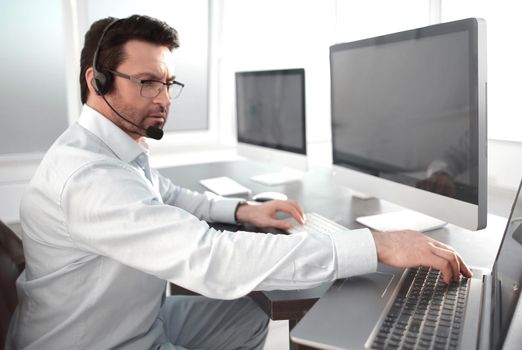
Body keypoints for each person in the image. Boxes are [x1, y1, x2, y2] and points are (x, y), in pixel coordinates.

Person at [6, 15, 472, 350]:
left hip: (136, 319)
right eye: (148, 82)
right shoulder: (88, 177)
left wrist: (241, 211)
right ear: (98, 80)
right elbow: (214, 259)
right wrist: (374, 246)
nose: (164, 99)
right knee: (239, 286)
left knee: (251, 313)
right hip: (96, 341)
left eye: (169, 83)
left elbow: (162, 195)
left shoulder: (111, 148)